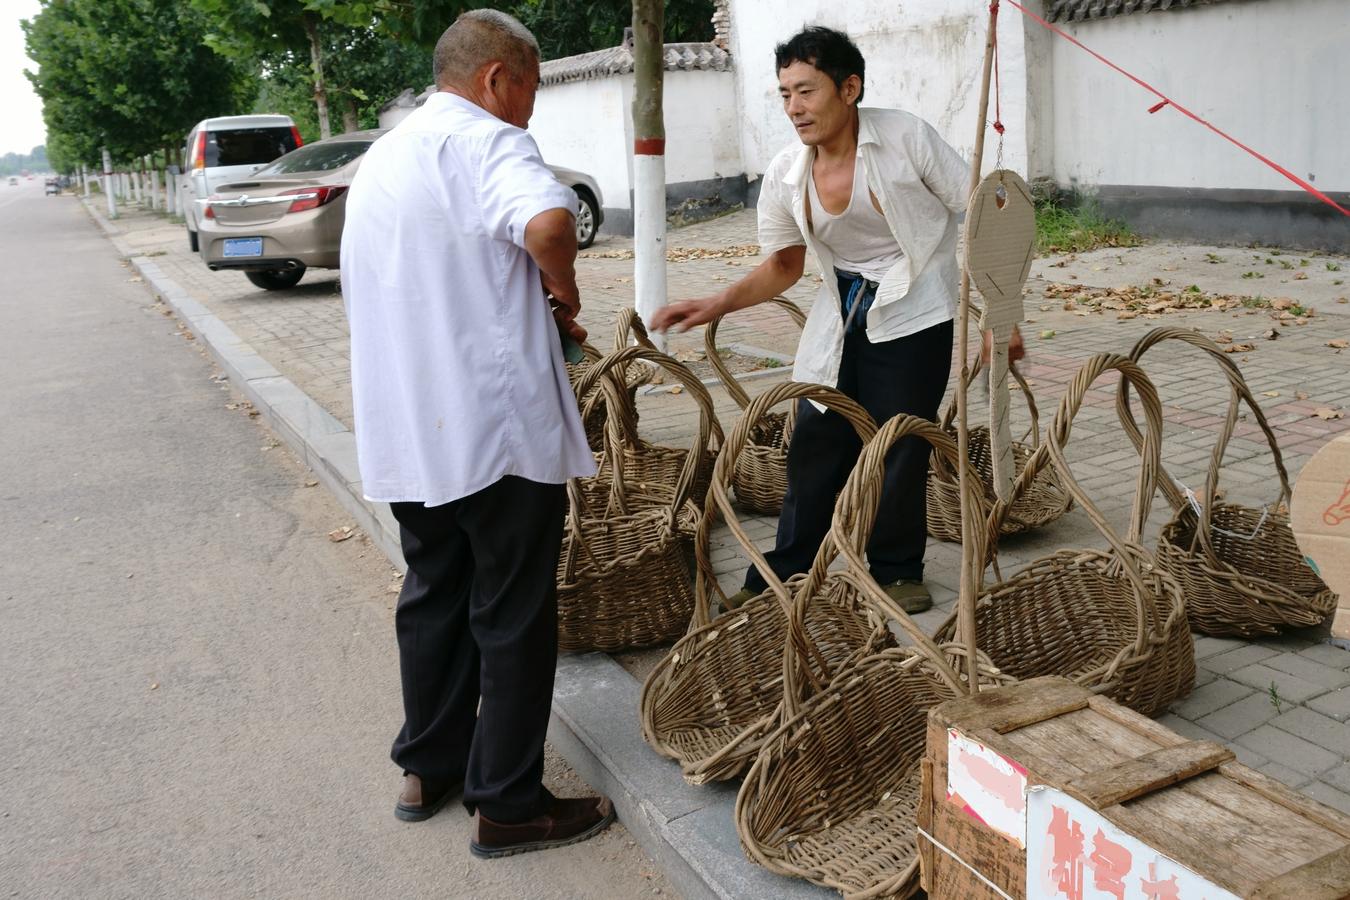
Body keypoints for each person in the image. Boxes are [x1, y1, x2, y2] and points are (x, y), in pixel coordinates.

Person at [340, 9, 614, 859]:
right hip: (491, 431)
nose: (531, 109)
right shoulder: (489, 140)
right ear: (499, 78)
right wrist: (561, 286)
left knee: (434, 592)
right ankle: (508, 805)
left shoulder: (385, 155)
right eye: (530, 87)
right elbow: (549, 223)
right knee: (513, 609)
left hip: (408, 429)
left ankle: (429, 767)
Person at [653, 26, 1023, 613]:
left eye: (806, 91)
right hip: (841, 310)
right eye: (784, 94)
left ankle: (897, 567)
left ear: (849, 88)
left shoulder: (905, 139)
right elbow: (783, 264)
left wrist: (1000, 313)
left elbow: (983, 213)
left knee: (898, 441)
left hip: (915, 309)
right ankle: (794, 563)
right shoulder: (786, 172)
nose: (794, 108)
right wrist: (714, 304)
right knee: (817, 435)